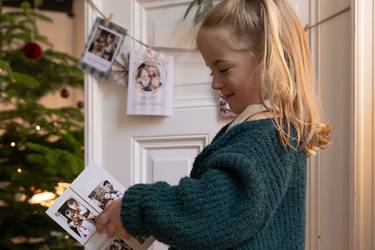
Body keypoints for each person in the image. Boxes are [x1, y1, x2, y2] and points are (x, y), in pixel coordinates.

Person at [96, 0, 331, 249]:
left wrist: (138, 206)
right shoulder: (265, 130)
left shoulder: (263, 137)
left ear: (270, 58)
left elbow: (210, 215)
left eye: (223, 68)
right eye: (211, 72)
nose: (215, 83)